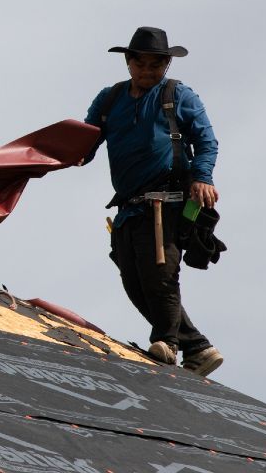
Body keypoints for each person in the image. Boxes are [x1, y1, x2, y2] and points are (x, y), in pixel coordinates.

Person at [82, 27, 222, 377]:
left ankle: (167, 342)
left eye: (155, 65)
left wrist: (202, 177)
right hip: (128, 204)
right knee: (133, 277)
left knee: (160, 271)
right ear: (128, 63)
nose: (147, 72)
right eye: (140, 64)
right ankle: (198, 348)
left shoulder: (178, 95)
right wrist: (60, 153)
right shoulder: (110, 99)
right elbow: (85, 140)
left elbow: (206, 140)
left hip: (169, 199)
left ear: (167, 65)